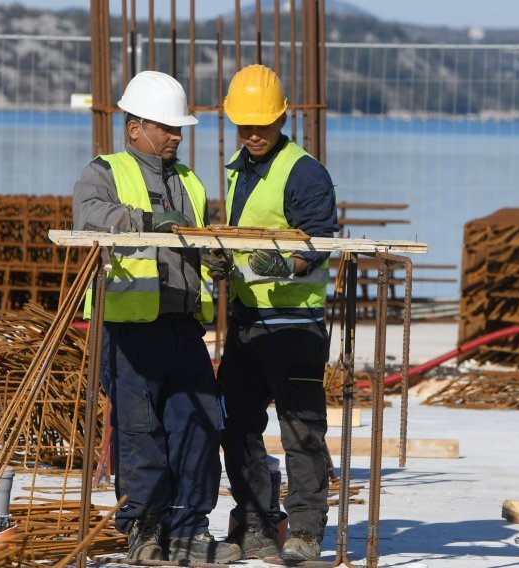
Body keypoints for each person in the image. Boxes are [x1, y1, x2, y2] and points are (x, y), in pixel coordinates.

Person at [72, 70, 241, 564]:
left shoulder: (188, 181)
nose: (176, 136)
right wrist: (149, 223)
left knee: (198, 424)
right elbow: (90, 217)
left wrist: (214, 255)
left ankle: (190, 528)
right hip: (130, 329)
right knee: (139, 432)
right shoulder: (103, 173)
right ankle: (143, 528)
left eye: (178, 128)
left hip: (182, 326)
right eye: (167, 127)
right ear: (134, 128)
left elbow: (196, 240)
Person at [203, 64, 339, 561]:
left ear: (283, 118)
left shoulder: (304, 172)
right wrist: (220, 260)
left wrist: (288, 263)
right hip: (247, 323)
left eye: (262, 124)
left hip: (295, 326)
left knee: (301, 430)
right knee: (236, 426)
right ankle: (258, 521)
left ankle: (305, 530)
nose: (253, 133)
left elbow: (321, 241)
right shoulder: (241, 169)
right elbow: (243, 241)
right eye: (245, 125)